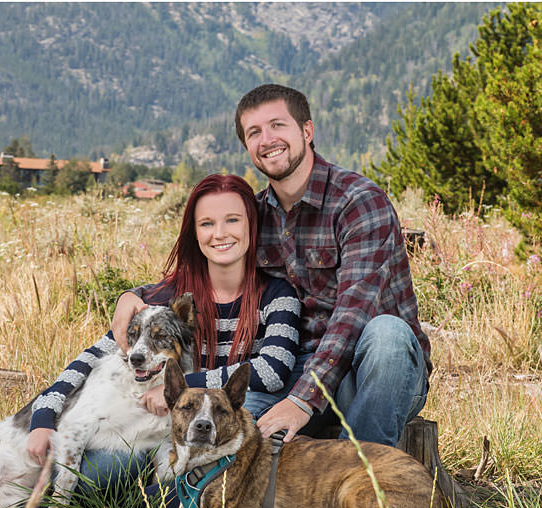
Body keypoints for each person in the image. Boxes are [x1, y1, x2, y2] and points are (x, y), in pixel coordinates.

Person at [114, 84, 431, 448]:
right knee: (216, 427)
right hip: (292, 370)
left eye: (278, 125)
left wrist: (301, 402)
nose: (267, 140)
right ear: (248, 147)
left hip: (374, 372)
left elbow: (352, 319)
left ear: (307, 131)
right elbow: (205, 272)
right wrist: (133, 295)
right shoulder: (254, 216)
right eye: (254, 133)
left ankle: (360, 482)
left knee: (386, 334)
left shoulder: (358, 202)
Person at [26, 174, 300, 492]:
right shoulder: (169, 296)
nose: (220, 234)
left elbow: (272, 370)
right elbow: (93, 357)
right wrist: (44, 416)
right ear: (194, 233)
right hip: (142, 426)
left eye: (233, 220)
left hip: (205, 426)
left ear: (252, 225)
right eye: (207, 224)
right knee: (100, 473)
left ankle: (163, 491)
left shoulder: (276, 294)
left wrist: (181, 387)